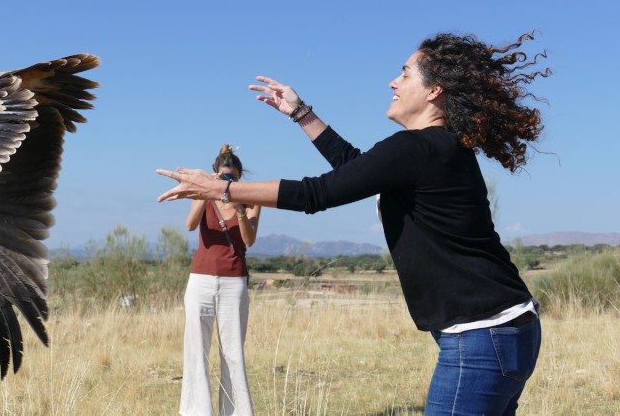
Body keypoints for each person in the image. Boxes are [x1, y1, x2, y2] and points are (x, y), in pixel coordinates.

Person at [158, 32, 548, 415]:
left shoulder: (417, 148)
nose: (393, 82)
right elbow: (355, 169)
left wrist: (223, 188)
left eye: (406, 74)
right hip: (507, 328)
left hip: (479, 336)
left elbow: (319, 193)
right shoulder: (439, 148)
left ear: (434, 91)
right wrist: (301, 114)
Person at [179, 144, 262, 416]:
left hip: (233, 281)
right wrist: (206, 191)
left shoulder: (252, 200)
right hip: (200, 280)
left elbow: (248, 240)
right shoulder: (203, 195)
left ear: (239, 178)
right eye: (223, 176)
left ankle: (237, 412)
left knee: (233, 353)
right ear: (216, 174)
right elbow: (190, 225)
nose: (228, 181)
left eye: (233, 178)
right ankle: (197, 412)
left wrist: (239, 209)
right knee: (196, 350)